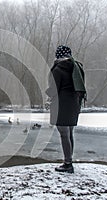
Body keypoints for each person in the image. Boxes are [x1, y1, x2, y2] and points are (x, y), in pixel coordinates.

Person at [45, 45, 86, 173]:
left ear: (58, 55)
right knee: (69, 133)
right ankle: (69, 160)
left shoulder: (58, 69)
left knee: (64, 133)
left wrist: (47, 94)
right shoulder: (76, 67)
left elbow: (54, 89)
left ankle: (68, 164)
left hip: (62, 104)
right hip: (74, 103)